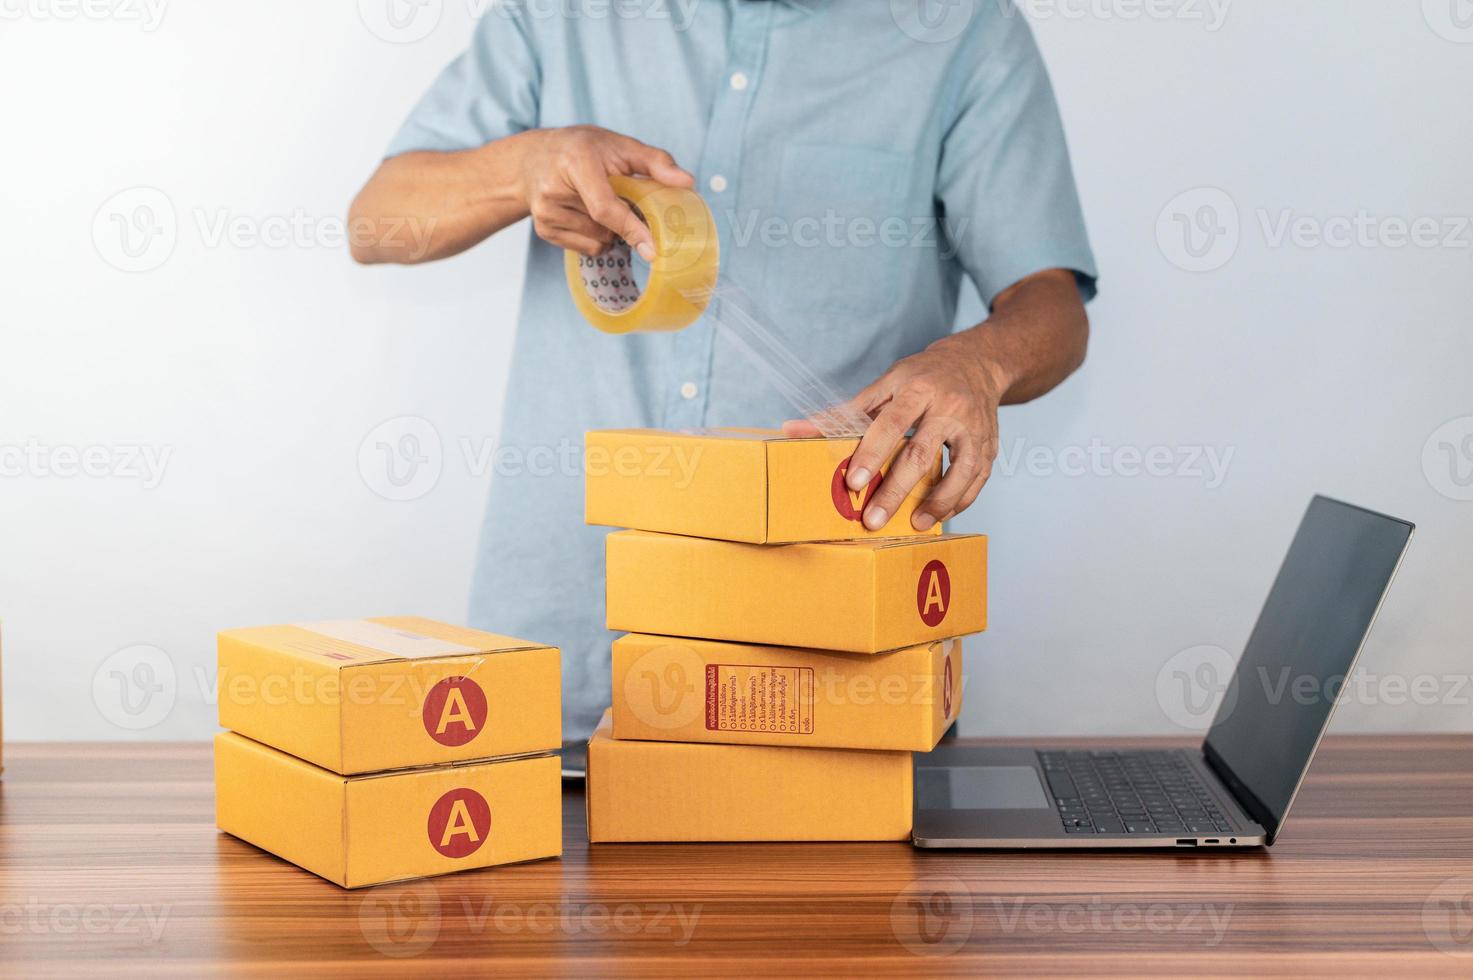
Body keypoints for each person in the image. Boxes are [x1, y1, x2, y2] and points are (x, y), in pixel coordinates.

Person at [349, 0, 1098, 741]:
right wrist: (523, 164)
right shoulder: (557, 16)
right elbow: (376, 219)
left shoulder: (963, 31)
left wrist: (977, 364)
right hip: (559, 640)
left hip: (822, 658)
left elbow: (1051, 304)